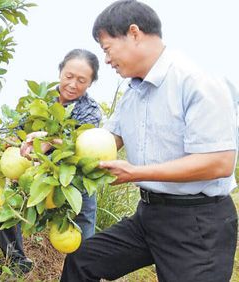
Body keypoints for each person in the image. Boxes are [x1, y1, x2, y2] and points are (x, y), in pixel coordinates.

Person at [61, 1, 238, 282]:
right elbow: (105, 140)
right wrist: (50, 146)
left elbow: (219, 162)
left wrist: (135, 173)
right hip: (149, 215)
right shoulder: (133, 91)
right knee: (83, 261)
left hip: (197, 222)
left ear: (134, 33)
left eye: (107, 49)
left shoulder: (196, 80)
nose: (106, 60)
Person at [0, 48, 102, 273]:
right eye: (69, 76)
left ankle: (82, 272)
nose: (73, 84)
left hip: (73, 174)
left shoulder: (90, 110)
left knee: (83, 216)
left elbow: (80, 143)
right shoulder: (40, 98)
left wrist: (50, 140)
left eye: (82, 80)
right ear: (60, 72)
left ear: (91, 83)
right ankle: (16, 264)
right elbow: (18, 130)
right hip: (32, 171)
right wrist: (15, 142)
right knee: (9, 207)